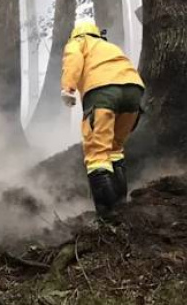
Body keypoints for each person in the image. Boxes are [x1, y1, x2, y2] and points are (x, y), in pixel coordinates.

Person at [60, 19, 145, 218]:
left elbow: (73, 59)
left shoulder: (78, 42)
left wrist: (68, 88)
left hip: (103, 93)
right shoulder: (108, 46)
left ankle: (108, 216)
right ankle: (122, 206)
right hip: (134, 91)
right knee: (115, 149)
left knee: (97, 156)